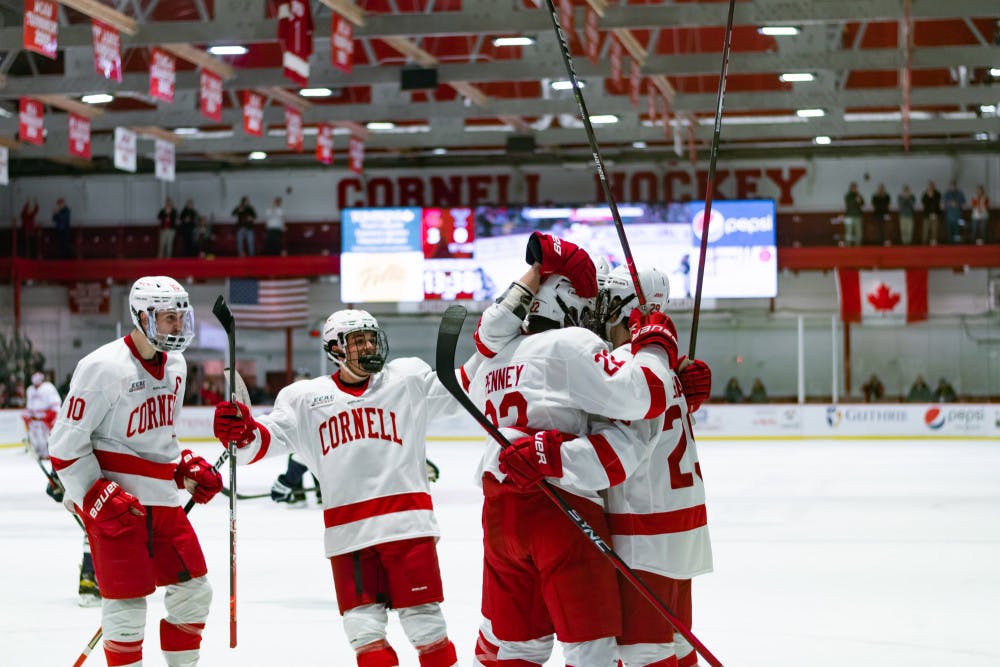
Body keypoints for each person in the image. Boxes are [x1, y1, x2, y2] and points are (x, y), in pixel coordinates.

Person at [467, 236, 680, 667]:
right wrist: (656, 346)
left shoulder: (488, 363)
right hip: (560, 509)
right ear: (570, 303)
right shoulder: (571, 346)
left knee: (518, 648)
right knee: (591, 649)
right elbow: (643, 396)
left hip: (498, 515)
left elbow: (486, 343)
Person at [213, 308, 464, 667]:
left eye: (371, 338)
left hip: (407, 528)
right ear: (334, 349)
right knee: (363, 631)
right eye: (357, 340)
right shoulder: (304, 399)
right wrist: (238, 431)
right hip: (349, 536)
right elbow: (259, 443)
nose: (368, 346)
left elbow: (461, 390)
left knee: (426, 626)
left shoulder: (407, 378)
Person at [48, 275, 222, 667]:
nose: (177, 327)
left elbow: (157, 440)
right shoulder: (101, 367)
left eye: (181, 317)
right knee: (127, 609)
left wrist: (183, 472)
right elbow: (63, 446)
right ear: (142, 316)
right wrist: (91, 495)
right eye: (167, 319)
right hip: (117, 505)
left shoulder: (176, 366)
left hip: (162, 503)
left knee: (194, 592)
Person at [23, 371, 61, 460]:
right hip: (33, 418)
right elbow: (29, 404)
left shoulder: (48, 387)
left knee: (46, 436)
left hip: (45, 417)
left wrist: (54, 414)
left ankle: (48, 454)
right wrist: (27, 415)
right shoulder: (30, 390)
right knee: (34, 436)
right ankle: (38, 453)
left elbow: (56, 403)